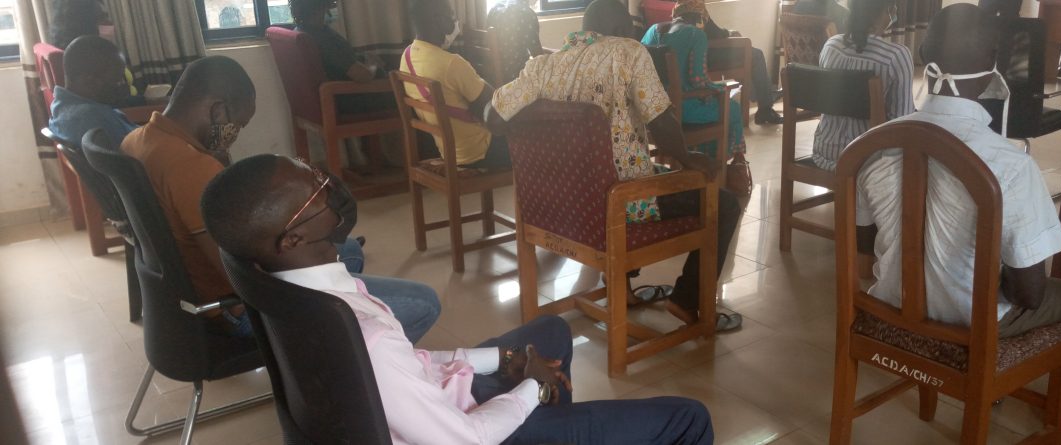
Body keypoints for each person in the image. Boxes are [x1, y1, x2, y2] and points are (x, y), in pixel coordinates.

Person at [200, 153, 716, 444]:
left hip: (430, 403)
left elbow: (410, 364)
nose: (327, 185)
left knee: (552, 330)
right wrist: (531, 387)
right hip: (466, 436)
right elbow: (464, 440)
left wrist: (505, 359)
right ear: (292, 238)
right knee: (689, 418)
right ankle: (545, 420)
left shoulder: (297, 284)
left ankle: (551, 424)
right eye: (315, 191)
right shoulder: (365, 337)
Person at [856, 4, 1061, 431]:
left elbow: (863, 249)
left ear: (924, 52)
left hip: (890, 304)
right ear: (993, 65)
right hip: (973, 323)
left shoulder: (872, 145)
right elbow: (1029, 294)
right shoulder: (1009, 164)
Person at [121, 56, 439, 340]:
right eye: (237, 125)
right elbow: (241, 274)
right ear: (218, 110)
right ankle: (349, 367)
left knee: (349, 249)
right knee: (423, 303)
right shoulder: (192, 167)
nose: (234, 135)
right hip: (238, 309)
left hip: (190, 296)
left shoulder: (136, 140)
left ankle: (337, 338)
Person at [488, 0, 744, 331]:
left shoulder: (542, 67)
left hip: (563, 204)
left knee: (631, 170)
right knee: (724, 203)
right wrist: (688, 158)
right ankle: (687, 300)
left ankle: (622, 288)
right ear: (621, 29)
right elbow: (661, 122)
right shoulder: (628, 52)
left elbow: (494, 118)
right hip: (618, 205)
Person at [398, 0, 509, 169]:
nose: (455, 20)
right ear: (438, 19)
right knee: (536, 135)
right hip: (479, 151)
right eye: (451, 15)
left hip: (448, 151)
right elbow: (495, 103)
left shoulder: (407, 56)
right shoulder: (451, 64)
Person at [812, 0, 914, 171]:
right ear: (886, 12)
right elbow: (901, 124)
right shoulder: (896, 56)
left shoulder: (831, 46)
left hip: (823, 153)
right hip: (868, 162)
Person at [641, 0, 746, 163]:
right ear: (699, 18)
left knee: (714, 103)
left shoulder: (651, 31)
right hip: (682, 110)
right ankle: (729, 164)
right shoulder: (696, 35)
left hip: (652, 112)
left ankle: (700, 159)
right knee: (732, 107)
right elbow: (698, 80)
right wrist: (720, 88)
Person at [290, 0, 388, 114]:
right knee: (403, 93)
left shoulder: (300, 31)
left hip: (337, 95)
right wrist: (373, 64)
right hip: (351, 98)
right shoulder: (323, 40)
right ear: (320, 6)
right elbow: (363, 76)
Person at [47, 36, 137, 149]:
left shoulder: (60, 107)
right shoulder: (94, 118)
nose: (121, 85)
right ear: (90, 81)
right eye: (116, 79)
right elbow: (139, 150)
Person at [486, 0, 547, 82]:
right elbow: (538, 57)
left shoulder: (495, 8)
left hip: (490, 76)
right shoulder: (526, 13)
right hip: (516, 78)